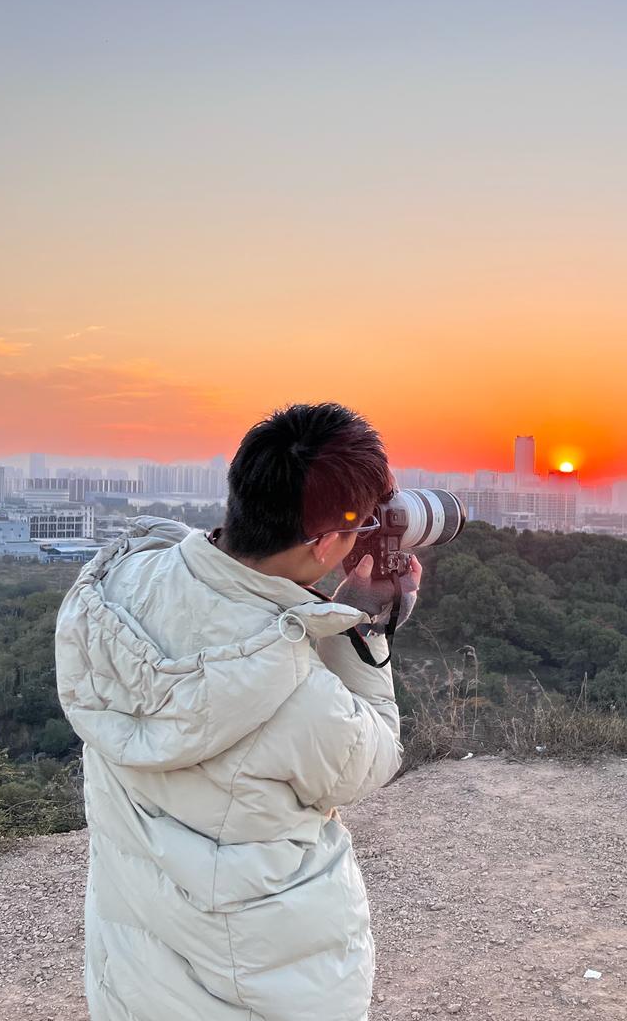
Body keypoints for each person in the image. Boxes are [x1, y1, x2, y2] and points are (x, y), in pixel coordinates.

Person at [55, 403, 420, 1021]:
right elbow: (377, 753)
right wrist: (364, 628)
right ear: (329, 542)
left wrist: (313, 604)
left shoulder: (118, 589)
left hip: (134, 974)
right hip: (267, 988)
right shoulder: (304, 702)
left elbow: (229, 613)